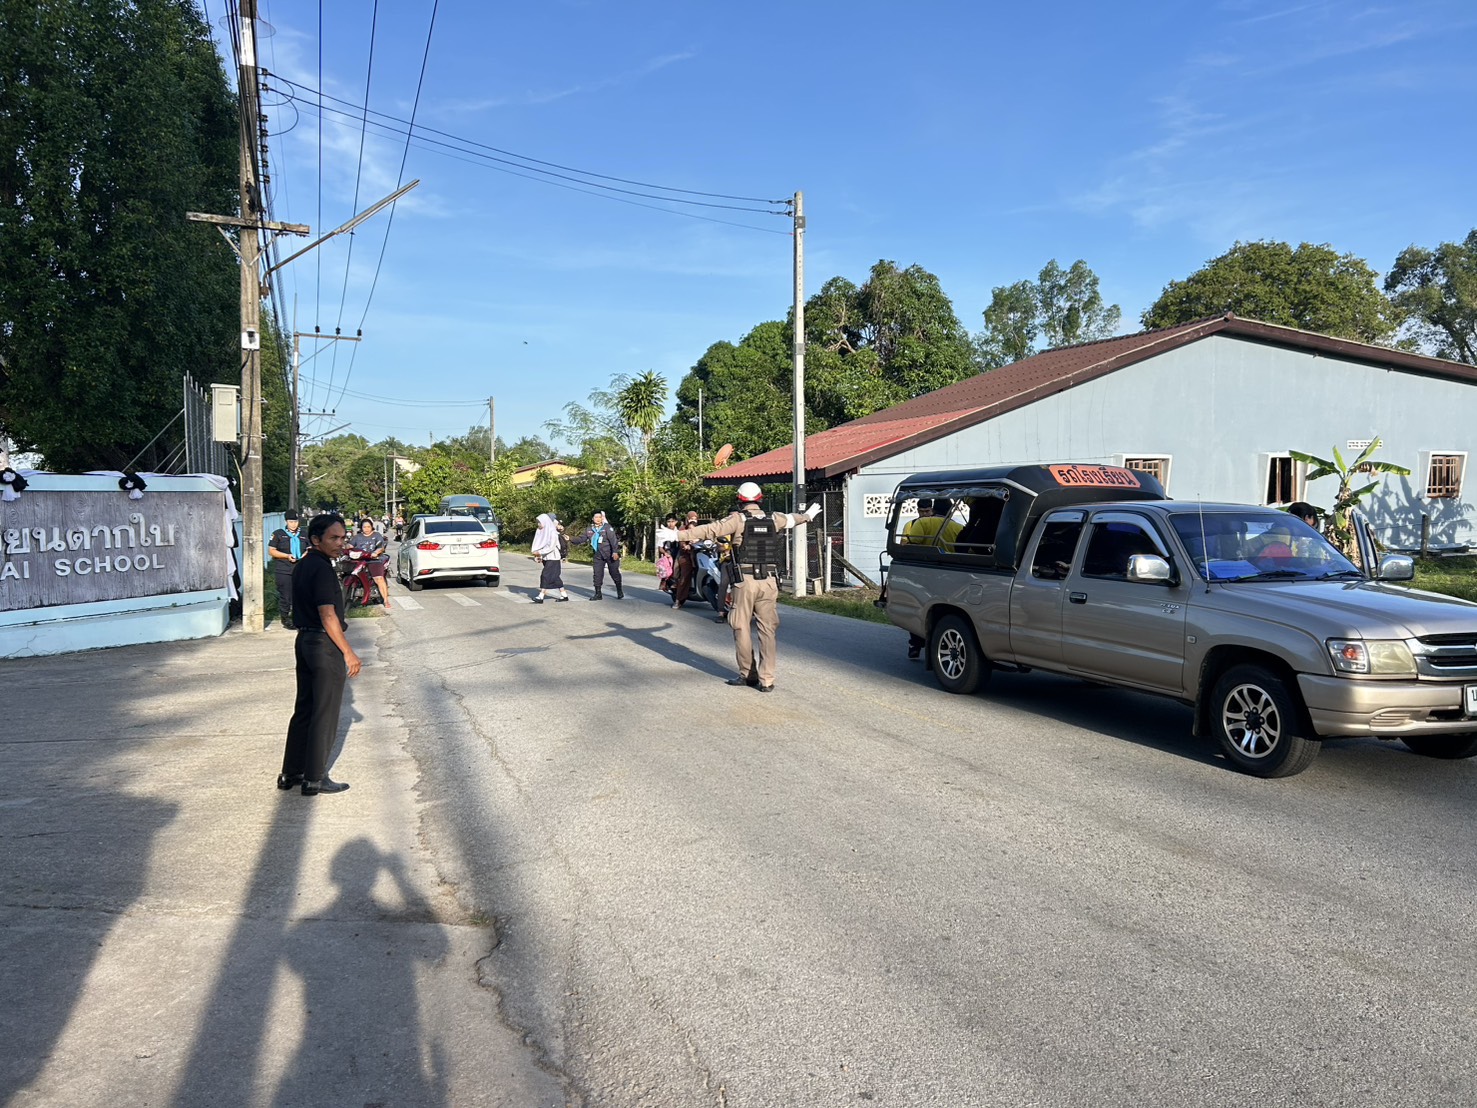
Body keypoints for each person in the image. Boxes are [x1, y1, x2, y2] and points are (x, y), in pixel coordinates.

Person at [678, 482, 820, 691]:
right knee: (767, 629)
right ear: (760, 499)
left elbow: (710, 530)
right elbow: (793, 519)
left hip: (745, 581)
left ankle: (748, 674)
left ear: (740, 500)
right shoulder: (775, 518)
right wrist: (807, 516)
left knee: (740, 626)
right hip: (769, 581)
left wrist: (678, 535)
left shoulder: (737, 520)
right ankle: (767, 679)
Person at [279, 512, 361, 796]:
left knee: (304, 709)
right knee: (324, 712)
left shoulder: (303, 565)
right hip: (323, 645)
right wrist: (348, 652)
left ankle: (291, 772)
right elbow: (327, 615)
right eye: (333, 538)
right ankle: (315, 777)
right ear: (316, 539)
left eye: (343, 537)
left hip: (304, 641)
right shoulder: (322, 569)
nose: (340, 543)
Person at [268, 510, 305, 628]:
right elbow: (271, 551)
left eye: (295, 522)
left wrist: (306, 554)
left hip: (300, 569)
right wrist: (286, 556)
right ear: (286, 522)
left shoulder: (304, 534)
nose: (293, 524)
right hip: (284, 569)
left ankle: (299, 617)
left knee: (301, 594)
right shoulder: (278, 534)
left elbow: (310, 547)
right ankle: (285, 618)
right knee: (286, 595)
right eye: (291, 522)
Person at [579, 510, 625, 600]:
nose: (598, 519)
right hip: (598, 555)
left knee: (614, 573)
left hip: (610, 554)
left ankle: (619, 590)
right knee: (597, 574)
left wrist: (615, 552)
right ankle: (598, 594)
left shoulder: (607, 527)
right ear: (593, 519)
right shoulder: (590, 529)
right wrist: (570, 539)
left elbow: (613, 540)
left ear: (602, 518)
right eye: (596, 517)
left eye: (600, 517)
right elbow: (582, 539)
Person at [349, 517, 392, 609]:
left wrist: (376, 553)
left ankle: (386, 600)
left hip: (374, 560)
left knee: (379, 578)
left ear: (372, 527)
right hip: (359, 560)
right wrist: (345, 547)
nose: (366, 529)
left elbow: (381, 547)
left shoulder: (377, 535)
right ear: (361, 528)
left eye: (368, 527)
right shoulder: (357, 537)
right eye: (364, 527)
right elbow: (350, 545)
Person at [530, 513, 571, 603]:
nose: (538, 524)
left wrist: (539, 553)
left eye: (540, 522)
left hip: (553, 558)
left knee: (546, 575)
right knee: (555, 577)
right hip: (547, 558)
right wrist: (539, 556)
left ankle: (541, 596)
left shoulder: (552, 533)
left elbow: (550, 547)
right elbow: (541, 545)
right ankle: (564, 595)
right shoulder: (544, 532)